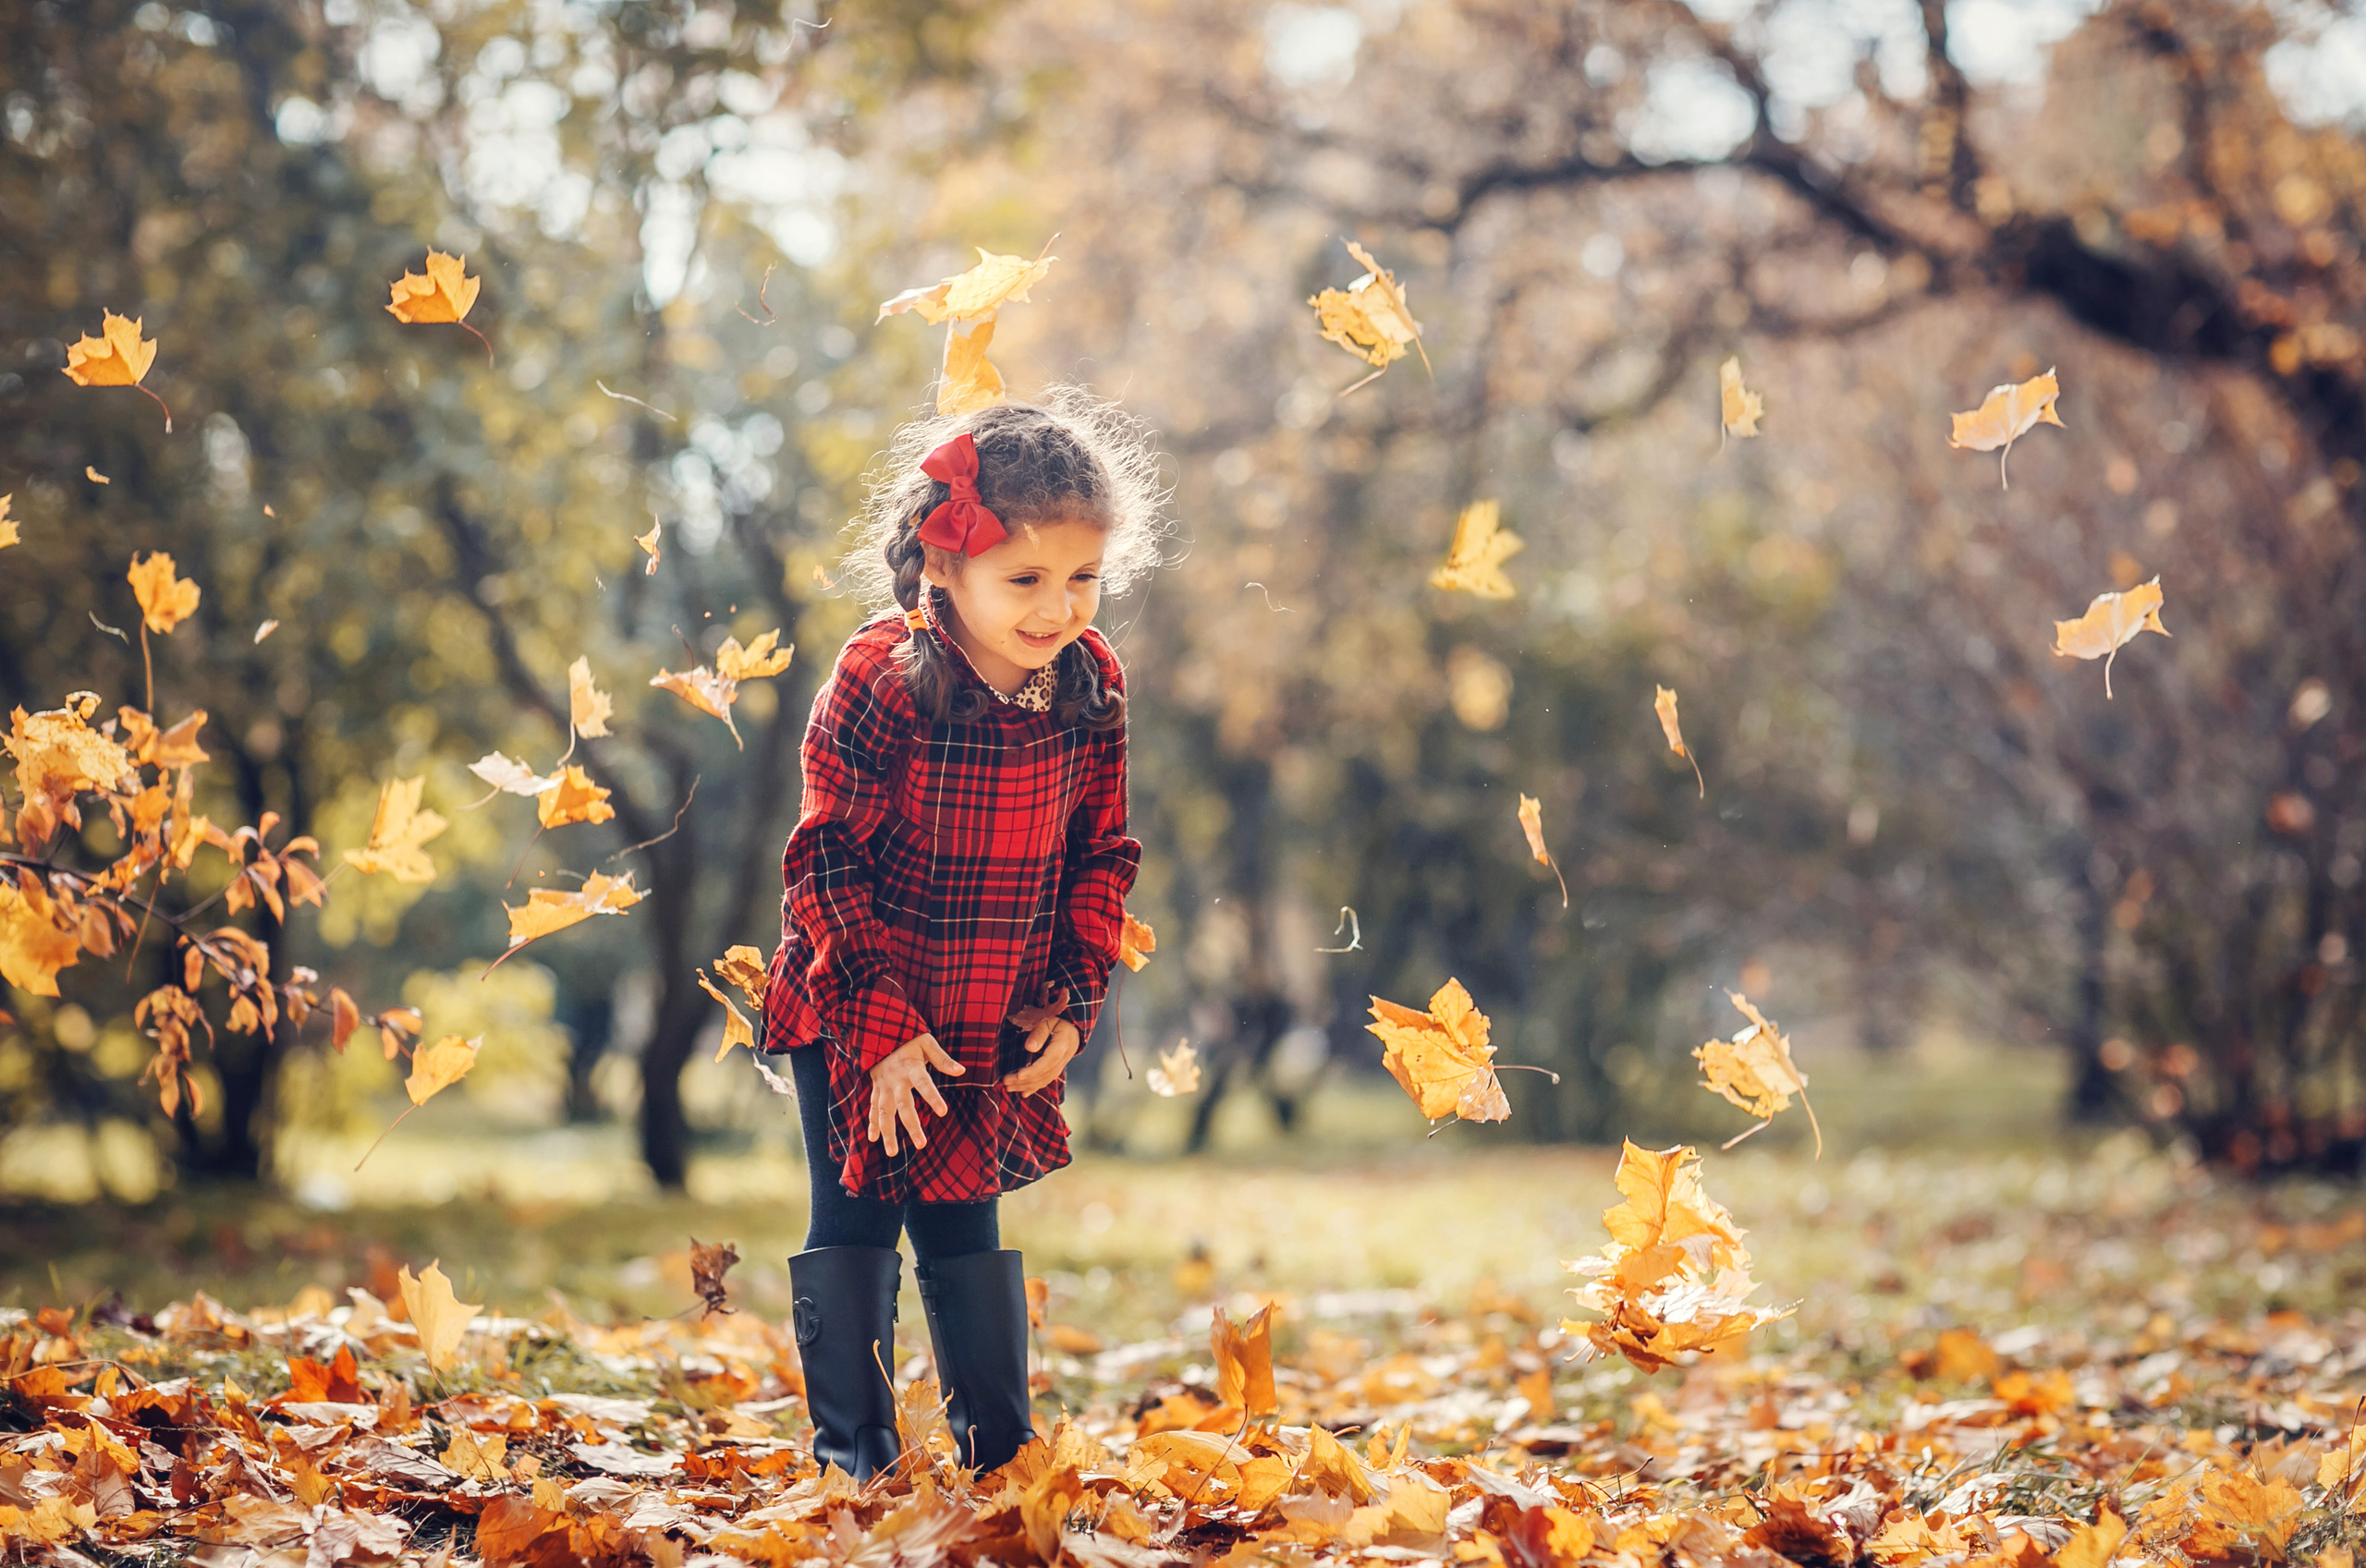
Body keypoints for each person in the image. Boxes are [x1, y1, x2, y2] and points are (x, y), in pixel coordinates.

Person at [761, 391, 1163, 1480]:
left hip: (986, 1001)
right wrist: (881, 1026)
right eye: (1024, 579)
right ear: (946, 567)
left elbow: (1101, 856)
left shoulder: (1092, 684)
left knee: (961, 1225)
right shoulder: (884, 675)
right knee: (857, 1212)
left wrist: (1073, 1002)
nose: (1058, 606)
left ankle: (999, 1459)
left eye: (1082, 577)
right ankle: (857, 1459)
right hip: (860, 991)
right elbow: (825, 856)